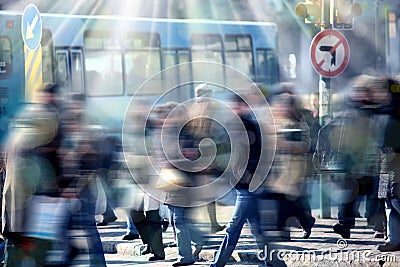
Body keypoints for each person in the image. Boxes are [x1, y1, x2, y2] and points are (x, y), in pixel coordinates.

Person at [2, 83, 64, 266]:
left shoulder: (18, 132)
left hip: (16, 207)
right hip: (33, 209)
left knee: (14, 248)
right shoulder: (42, 132)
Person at [210, 95, 266, 267]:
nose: (233, 109)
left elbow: (258, 155)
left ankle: (218, 264)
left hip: (248, 186)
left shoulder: (251, 127)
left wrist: (247, 174)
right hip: (241, 184)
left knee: (233, 227)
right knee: (257, 229)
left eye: (236, 106)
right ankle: (274, 262)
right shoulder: (232, 127)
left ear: (243, 107)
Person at [266, 92, 315, 240]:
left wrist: (287, 145)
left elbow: (306, 145)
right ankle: (284, 231)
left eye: (287, 106)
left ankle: (305, 221)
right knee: (281, 201)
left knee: (294, 201)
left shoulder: (299, 123)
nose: (283, 109)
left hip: (295, 168)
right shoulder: (274, 122)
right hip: (278, 168)